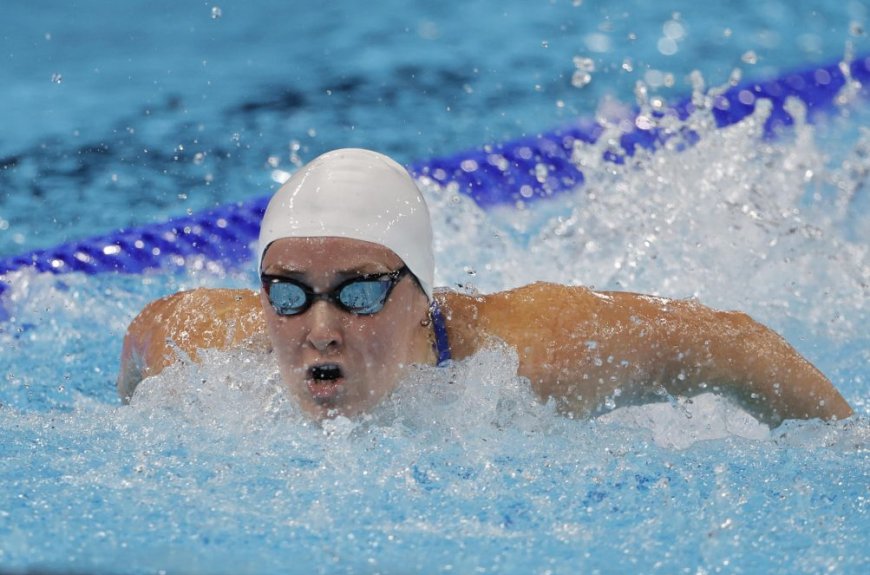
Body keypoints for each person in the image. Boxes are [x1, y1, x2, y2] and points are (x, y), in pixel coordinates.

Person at [118, 148, 853, 425]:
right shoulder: (201, 343)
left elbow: (732, 342)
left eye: (360, 291)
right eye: (288, 291)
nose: (320, 326)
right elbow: (145, 332)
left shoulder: (531, 354)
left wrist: (849, 449)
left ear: (420, 298)